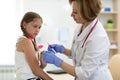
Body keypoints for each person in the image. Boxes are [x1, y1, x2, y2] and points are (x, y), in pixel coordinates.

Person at [42, 0, 113, 80]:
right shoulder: (80, 27)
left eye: (75, 12)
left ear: (87, 13)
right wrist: (63, 50)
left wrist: (57, 61)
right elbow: (78, 54)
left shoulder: (98, 37)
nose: (71, 15)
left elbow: (84, 73)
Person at [15, 11, 53, 80]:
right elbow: (36, 70)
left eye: (39, 27)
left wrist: (42, 65)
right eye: (35, 26)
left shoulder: (30, 41)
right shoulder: (25, 41)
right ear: (24, 25)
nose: (37, 30)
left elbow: (34, 71)